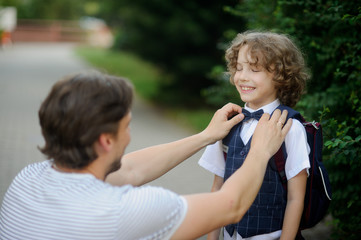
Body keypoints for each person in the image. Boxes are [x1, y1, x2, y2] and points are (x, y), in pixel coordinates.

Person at [0, 70, 292, 240]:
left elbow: (129, 170)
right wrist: (260, 150)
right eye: (126, 127)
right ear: (104, 141)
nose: (130, 136)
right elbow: (231, 206)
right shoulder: (125, 211)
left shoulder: (28, 178)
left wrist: (206, 136)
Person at [199, 31, 311, 240]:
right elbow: (217, 187)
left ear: (279, 75)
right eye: (239, 67)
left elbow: (296, 198)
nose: (242, 76)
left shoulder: (291, 128)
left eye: (254, 69)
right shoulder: (227, 123)